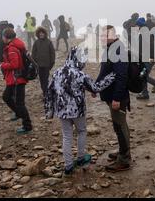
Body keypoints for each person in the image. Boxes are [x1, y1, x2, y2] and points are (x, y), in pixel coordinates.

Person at [45, 46, 115, 175]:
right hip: (77, 110)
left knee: (67, 136)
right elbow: (95, 88)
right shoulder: (79, 74)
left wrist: (49, 112)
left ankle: (68, 166)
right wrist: (110, 77)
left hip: (61, 111)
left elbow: (49, 92)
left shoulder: (57, 72)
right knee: (81, 131)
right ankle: (81, 158)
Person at [96, 25, 131, 172]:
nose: (102, 38)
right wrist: (95, 86)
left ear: (113, 35)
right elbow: (104, 70)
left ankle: (124, 159)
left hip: (117, 97)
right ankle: (122, 152)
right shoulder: (110, 48)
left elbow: (122, 76)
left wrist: (116, 98)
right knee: (118, 126)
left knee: (120, 126)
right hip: (110, 95)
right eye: (101, 36)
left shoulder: (118, 49)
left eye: (105, 35)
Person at [1, 28, 33, 134]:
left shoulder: (12, 48)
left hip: (17, 79)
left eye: (3, 37)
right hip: (16, 78)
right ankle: (19, 114)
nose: (2, 39)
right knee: (6, 97)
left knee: (19, 103)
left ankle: (27, 126)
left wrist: (3, 65)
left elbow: (15, 64)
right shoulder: (17, 45)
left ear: (7, 37)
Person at [135, 18, 155, 100]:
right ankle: (145, 93)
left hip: (148, 59)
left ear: (140, 25)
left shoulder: (145, 34)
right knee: (143, 75)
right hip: (145, 58)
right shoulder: (144, 33)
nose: (136, 27)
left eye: (137, 25)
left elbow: (151, 46)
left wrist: (151, 58)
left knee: (143, 76)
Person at [32, 27, 56, 98]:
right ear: (38, 34)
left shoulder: (49, 42)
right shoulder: (36, 42)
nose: (41, 34)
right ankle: (45, 92)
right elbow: (33, 53)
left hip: (47, 65)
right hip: (39, 65)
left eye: (42, 33)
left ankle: (46, 94)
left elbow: (52, 53)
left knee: (45, 80)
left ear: (45, 34)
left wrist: (52, 62)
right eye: (40, 33)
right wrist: (34, 62)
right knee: (42, 80)